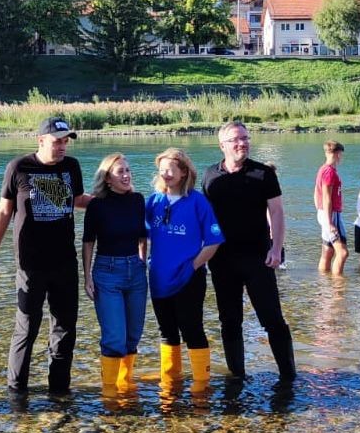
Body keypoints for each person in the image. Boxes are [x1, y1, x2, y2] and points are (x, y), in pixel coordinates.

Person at [0, 117, 90, 398]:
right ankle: (16, 389)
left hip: (65, 263)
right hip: (30, 264)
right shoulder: (19, 167)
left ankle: (59, 389)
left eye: (66, 141)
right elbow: (4, 211)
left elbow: (78, 200)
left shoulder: (72, 166)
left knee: (65, 327)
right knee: (27, 328)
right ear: (41, 140)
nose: (62, 147)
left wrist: (114, 198)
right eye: (57, 141)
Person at [202, 121, 296, 382]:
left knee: (272, 319)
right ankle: (237, 376)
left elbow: (277, 212)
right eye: (235, 139)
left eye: (245, 138)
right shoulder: (210, 175)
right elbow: (205, 219)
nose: (242, 143)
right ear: (222, 145)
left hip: (258, 258)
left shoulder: (263, 173)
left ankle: (289, 376)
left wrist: (276, 249)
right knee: (230, 321)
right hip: (222, 261)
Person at [146, 147, 224, 392]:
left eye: (171, 169)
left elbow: (214, 241)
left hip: (189, 277)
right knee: (166, 331)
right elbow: (137, 234)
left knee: (192, 329)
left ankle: (201, 384)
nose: (166, 174)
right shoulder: (153, 201)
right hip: (158, 278)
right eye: (162, 170)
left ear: (183, 172)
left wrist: (193, 266)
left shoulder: (197, 201)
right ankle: (170, 383)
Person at [82, 153, 148, 394]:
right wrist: (87, 277)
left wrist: (142, 264)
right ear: (107, 178)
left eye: (128, 170)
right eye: (120, 171)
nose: (127, 175)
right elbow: (88, 242)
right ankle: (110, 392)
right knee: (114, 338)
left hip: (136, 273)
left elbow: (143, 237)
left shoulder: (138, 200)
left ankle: (126, 386)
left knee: (133, 336)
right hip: (107, 273)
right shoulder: (97, 205)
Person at [314, 140, 349, 275]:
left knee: (328, 251)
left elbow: (316, 193)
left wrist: (320, 212)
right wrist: (329, 222)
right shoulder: (329, 172)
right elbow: (326, 197)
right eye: (341, 154)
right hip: (331, 214)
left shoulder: (322, 169)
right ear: (338, 154)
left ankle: (324, 282)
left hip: (324, 213)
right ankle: (337, 286)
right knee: (343, 252)